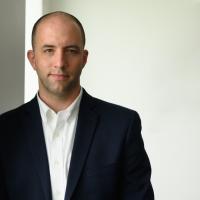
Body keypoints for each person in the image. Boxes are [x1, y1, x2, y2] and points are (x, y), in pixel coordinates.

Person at [0, 11, 154, 200]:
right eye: (49, 50)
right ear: (33, 59)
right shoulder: (4, 130)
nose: (60, 62)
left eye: (71, 51)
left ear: (84, 58)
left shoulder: (122, 126)